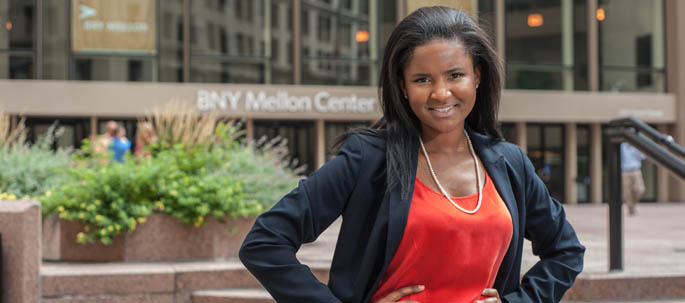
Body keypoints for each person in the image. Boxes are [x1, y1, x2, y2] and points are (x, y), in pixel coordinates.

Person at [239, 6, 584, 303]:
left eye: (455, 75)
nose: (441, 92)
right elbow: (265, 241)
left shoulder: (508, 162)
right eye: (422, 79)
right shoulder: (369, 158)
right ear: (402, 86)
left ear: (477, 75)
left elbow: (565, 250)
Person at [621, 142, 646, 215]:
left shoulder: (636, 145)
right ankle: (631, 207)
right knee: (626, 191)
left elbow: (643, 156)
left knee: (640, 189)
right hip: (625, 171)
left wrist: (638, 148)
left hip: (636, 170)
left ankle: (632, 205)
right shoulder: (622, 146)